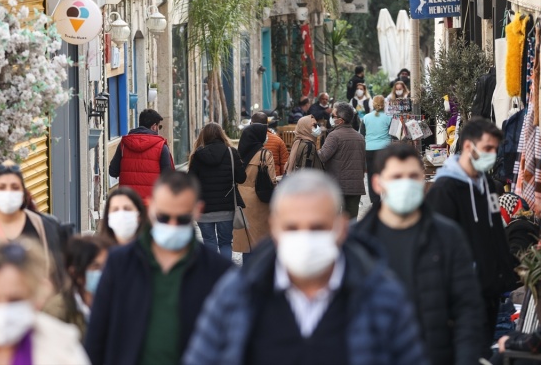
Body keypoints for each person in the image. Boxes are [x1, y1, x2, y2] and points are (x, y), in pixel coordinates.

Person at [183, 170, 427, 365]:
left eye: (317, 227)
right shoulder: (236, 294)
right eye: (292, 227)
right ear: (274, 228)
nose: (305, 237)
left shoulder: (382, 296)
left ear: (342, 228)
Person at [351, 144, 484, 365]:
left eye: (412, 176)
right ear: (377, 183)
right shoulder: (355, 242)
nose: (405, 183)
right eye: (396, 177)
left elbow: (468, 309)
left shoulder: (448, 236)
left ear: (423, 180)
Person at [84, 171, 233, 365]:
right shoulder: (120, 262)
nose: (172, 225)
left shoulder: (218, 271)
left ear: (197, 210)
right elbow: (97, 333)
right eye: (164, 217)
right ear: (151, 206)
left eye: (182, 219)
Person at [426, 118, 517, 357]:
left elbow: (495, 229)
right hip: (465, 297)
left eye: (495, 150)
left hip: (492, 291)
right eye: (487, 148)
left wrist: (507, 271)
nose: (492, 154)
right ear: (468, 146)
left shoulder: (487, 183)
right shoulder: (444, 190)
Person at [188, 122, 247, 259]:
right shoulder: (232, 153)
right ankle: (224, 274)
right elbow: (241, 178)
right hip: (226, 208)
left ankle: (212, 275)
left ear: (204, 136)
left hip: (203, 208)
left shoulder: (198, 155)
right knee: (225, 243)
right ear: (222, 135)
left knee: (209, 243)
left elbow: (190, 181)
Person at [43, 235, 113, 341]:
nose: (104, 273)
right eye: (96, 267)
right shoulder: (56, 313)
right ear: (76, 274)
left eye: (107, 266)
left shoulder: (119, 305)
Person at [108, 108, 175, 201]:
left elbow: (113, 171)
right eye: (159, 127)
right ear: (154, 126)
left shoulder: (124, 144)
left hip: (128, 204)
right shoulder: (161, 146)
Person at [234, 123, 277, 264]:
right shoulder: (265, 154)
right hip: (260, 199)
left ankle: (246, 268)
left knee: (246, 240)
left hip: (241, 198)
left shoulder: (238, 154)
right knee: (260, 238)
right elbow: (271, 179)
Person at [318, 103, 366, 219]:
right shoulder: (360, 137)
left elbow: (322, 156)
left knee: (332, 221)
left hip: (337, 186)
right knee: (351, 223)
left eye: (333, 115)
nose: (331, 118)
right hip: (355, 186)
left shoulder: (334, 136)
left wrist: (314, 150)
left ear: (340, 120)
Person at [360, 95, 392, 205]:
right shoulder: (389, 117)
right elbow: (393, 133)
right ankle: (387, 197)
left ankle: (375, 200)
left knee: (372, 175)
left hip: (369, 149)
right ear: (385, 104)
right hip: (385, 149)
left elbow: (362, 134)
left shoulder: (366, 118)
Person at [251, 112, 289, 176]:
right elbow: (285, 163)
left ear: (251, 124)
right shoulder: (278, 140)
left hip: (252, 180)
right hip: (274, 179)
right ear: (267, 124)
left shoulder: (246, 141)